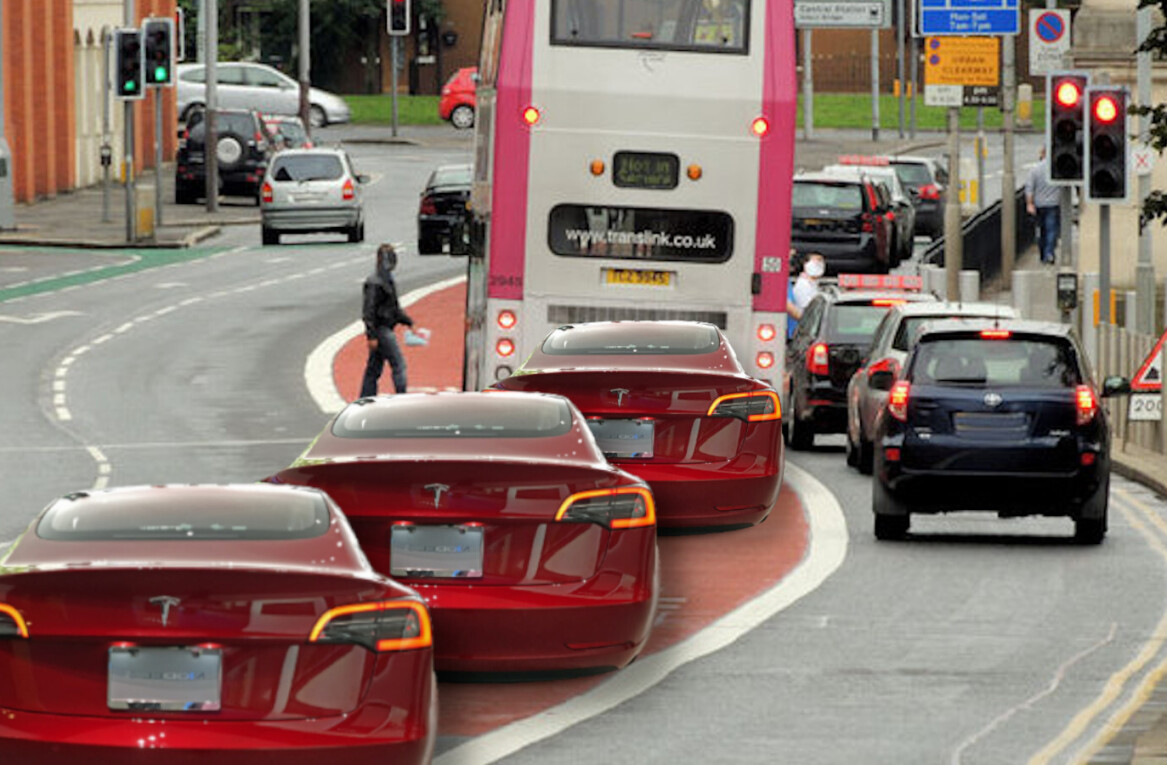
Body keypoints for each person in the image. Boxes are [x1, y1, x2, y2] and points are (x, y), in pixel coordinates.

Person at [360, 244, 413, 398]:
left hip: (382, 329)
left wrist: (408, 321)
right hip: (382, 329)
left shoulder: (384, 279)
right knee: (398, 364)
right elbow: (369, 311)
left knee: (374, 368)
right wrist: (371, 335)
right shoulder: (377, 282)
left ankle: (365, 398)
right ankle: (401, 396)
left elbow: (393, 308)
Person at [1025, 146, 1061, 264]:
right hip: (1053, 203)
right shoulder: (1056, 168)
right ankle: (1049, 253)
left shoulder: (1034, 169)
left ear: (1042, 154)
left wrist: (1030, 204)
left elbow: (1029, 188)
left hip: (1039, 204)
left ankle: (1043, 254)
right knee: (1051, 230)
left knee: (1042, 230)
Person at [787, 252, 825, 338]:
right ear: (805, 265)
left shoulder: (813, 285)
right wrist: (808, 324)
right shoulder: (803, 285)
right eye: (816, 262)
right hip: (801, 333)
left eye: (821, 262)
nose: (819, 265)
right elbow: (806, 310)